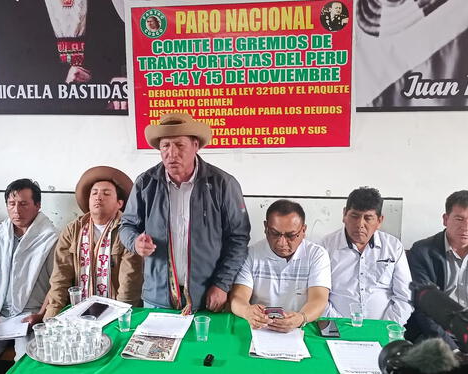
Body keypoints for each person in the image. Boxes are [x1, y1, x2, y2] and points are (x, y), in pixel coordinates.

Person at [120, 112, 250, 313]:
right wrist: (135, 242)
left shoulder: (222, 184)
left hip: (208, 297)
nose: (171, 153)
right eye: (165, 146)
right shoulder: (146, 183)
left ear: (195, 145)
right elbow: (127, 226)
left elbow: (238, 239)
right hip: (157, 297)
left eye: (179, 145)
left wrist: (222, 284)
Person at [0, 179, 58, 373]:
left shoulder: (51, 239)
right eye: (12, 204)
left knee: (26, 361)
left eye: (24, 204)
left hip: (30, 315)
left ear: (37, 206)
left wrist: (40, 315)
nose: (17, 210)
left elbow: (56, 285)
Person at [45, 166, 143, 319]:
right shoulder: (73, 230)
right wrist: (51, 318)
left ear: (119, 203)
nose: (98, 197)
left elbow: (129, 282)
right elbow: (60, 277)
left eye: (106, 193)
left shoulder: (127, 231)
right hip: (78, 310)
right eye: (94, 193)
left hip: (115, 311)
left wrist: (120, 317)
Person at [407, 190, 468, 348]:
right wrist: (453, 350)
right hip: (437, 335)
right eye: (459, 219)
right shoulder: (423, 251)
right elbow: (423, 306)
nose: (466, 227)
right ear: (445, 219)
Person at [230, 200, 330, 332]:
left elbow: (319, 299)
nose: (282, 243)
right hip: (260, 328)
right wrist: (247, 311)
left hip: (301, 328)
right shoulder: (252, 254)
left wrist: (301, 318)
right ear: (265, 227)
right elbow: (238, 297)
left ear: (304, 230)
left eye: (291, 235)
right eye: (275, 234)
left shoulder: (316, 255)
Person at [320, 187, 413, 325]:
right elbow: (318, 297)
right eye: (354, 216)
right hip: (337, 326)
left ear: (379, 221)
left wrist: (384, 327)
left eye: (368, 218)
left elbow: (405, 297)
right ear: (344, 214)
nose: (360, 225)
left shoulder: (393, 247)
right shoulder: (325, 247)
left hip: (385, 328)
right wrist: (341, 325)